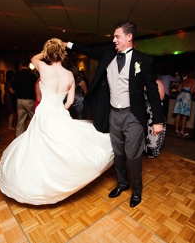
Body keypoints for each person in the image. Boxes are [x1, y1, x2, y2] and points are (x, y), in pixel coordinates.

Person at [0, 39, 113, 205]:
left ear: (48, 54)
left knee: (40, 149)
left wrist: (48, 50)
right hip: (60, 113)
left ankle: (42, 184)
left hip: (44, 114)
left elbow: (34, 58)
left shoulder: (43, 67)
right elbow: (70, 101)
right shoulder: (70, 75)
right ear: (62, 54)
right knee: (61, 148)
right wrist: (59, 110)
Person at [67, 21, 164, 208]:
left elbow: (152, 92)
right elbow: (89, 51)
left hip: (133, 115)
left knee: (133, 155)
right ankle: (122, 183)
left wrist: (157, 120)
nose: (114, 40)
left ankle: (137, 191)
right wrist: (68, 44)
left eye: (117, 36)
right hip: (114, 113)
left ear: (129, 37)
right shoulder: (108, 54)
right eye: (113, 37)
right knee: (118, 153)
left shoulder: (143, 60)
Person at [12, 62, 37, 137]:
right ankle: (35, 137)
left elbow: (14, 87)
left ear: (21, 65)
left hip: (19, 100)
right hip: (29, 101)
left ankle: (18, 138)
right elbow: (36, 88)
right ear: (28, 65)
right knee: (34, 120)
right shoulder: (32, 76)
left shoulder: (16, 75)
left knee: (20, 121)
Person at [172, 69, 195, 137]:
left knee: (178, 114)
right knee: (184, 115)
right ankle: (182, 131)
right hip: (187, 97)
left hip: (180, 96)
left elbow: (178, 89)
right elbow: (192, 91)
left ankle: (176, 130)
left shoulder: (184, 80)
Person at [144, 78, 166, 158]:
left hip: (154, 111)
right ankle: (145, 149)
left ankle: (151, 151)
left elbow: (161, 98)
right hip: (144, 110)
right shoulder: (141, 82)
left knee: (153, 132)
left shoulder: (158, 82)